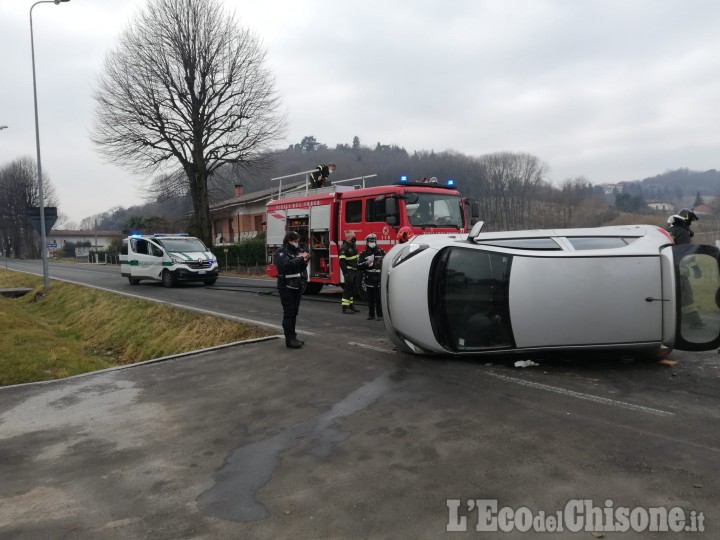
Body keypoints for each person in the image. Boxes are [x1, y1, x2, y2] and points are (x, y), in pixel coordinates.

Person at [667, 208, 705, 328]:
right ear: (686, 220)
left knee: (675, 296)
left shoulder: (671, 230)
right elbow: (686, 252)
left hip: (669, 269)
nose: (690, 224)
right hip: (680, 270)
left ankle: (679, 320)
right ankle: (695, 322)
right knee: (687, 297)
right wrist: (695, 267)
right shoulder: (682, 233)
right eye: (690, 222)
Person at [274, 231, 310, 348]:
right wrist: (300, 259)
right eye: (295, 241)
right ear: (288, 240)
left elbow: (299, 267)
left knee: (294, 312)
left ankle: (293, 336)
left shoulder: (295, 251)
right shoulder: (281, 251)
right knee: (289, 312)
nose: (297, 243)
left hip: (296, 284)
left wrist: (305, 260)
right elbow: (286, 265)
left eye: (298, 241)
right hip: (286, 285)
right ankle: (289, 340)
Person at [358, 233, 385, 320]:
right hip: (369, 278)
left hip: (378, 278)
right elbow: (358, 265)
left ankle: (379, 315)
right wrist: (366, 263)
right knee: (370, 298)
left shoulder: (381, 251)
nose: (372, 243)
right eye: (370, 241)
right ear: (367, 243)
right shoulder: (363, 253)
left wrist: (381, 263)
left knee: (378, 299)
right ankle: (371, 315)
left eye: (374, 241)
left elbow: (386, 262)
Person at [339, 230, 360, 314]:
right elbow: (342, 262)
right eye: (352, 236)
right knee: (348, 289)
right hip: (349, 271)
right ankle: (344, 307)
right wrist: (346, 273)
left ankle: (351, 305)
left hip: (354, 271)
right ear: (348, 238)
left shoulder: (354, 245)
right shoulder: (344, 248)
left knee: (352, 289)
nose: (354, 237)